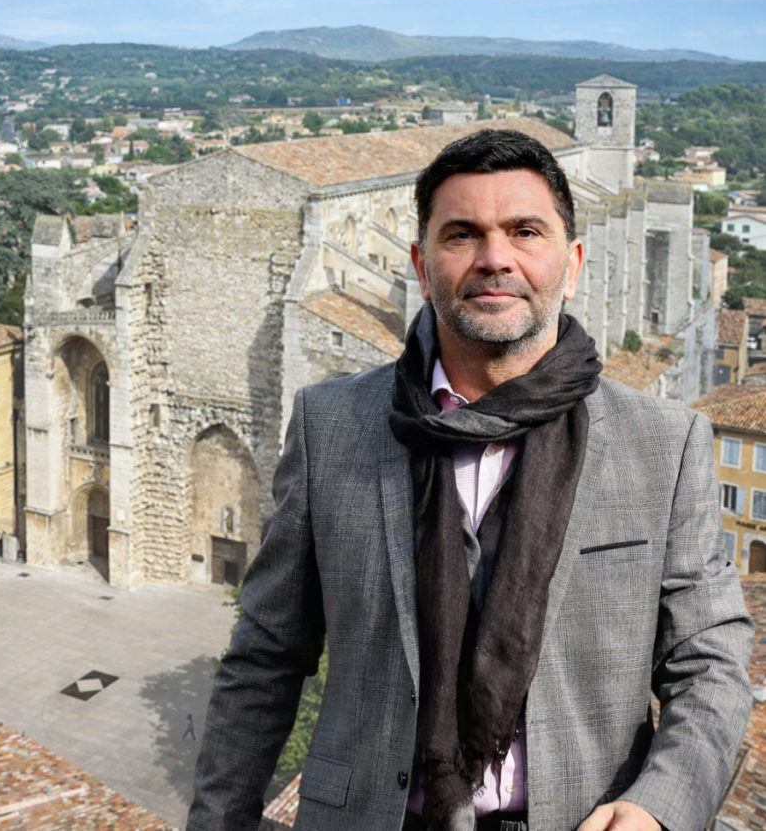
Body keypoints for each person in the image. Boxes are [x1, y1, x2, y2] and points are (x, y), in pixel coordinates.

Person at [187, 130, 753, 831]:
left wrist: (658, 806)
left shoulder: (662, 443)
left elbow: (709, 660)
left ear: (573, 263)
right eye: (462, 235)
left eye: (525, 232)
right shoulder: (328, 426)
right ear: (422, 267)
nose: (495, 258)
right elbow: (265, 656)